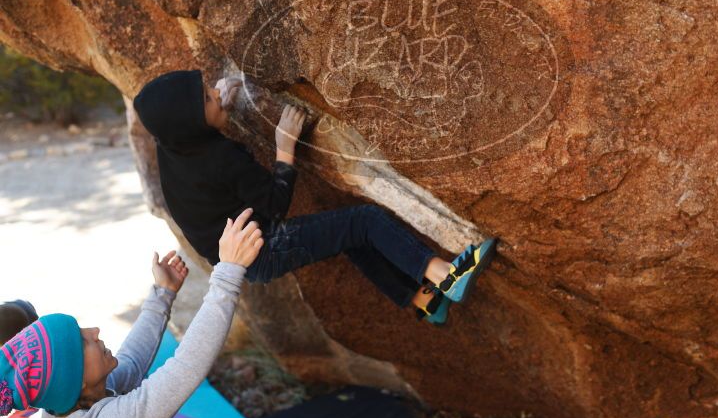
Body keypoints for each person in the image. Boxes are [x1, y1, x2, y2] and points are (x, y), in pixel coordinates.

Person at [133, 70, 497, 325]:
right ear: (192, 122)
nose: (215, 92)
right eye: (206, 98)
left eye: (208, 88)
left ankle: (424, 300)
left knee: (350, 236)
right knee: (364, 221)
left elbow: (201, 128)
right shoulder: (220, 160)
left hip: (239, 258)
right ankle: (446, 276)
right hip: (262, 250)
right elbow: (275, 207)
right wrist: (284, 150)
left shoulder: (175, 145)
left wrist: (218, 107)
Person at [0, 208, 264, 418]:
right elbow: (185, 368)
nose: (94, 332)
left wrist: (163, 293)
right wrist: (228, 271)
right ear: (75, 381)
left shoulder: (68, 401)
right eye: (83, 341)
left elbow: (132, 362)